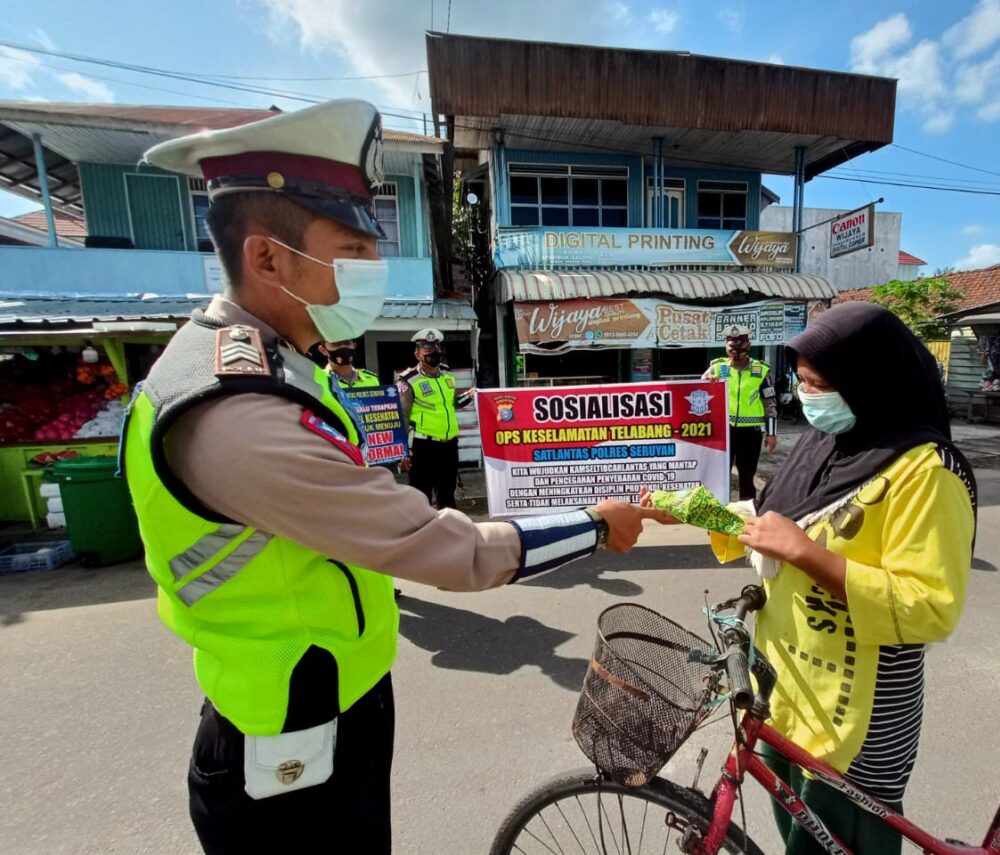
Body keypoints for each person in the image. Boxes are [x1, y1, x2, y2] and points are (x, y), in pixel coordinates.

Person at [123, 99, 651, 855]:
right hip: (288, 758)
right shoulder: (237, 409)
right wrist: (596, 525)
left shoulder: (271, 367)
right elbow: (448, 547)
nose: (374, 269)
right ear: (267, 257)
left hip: (315, 710)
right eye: (353, 249)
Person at [647, 302, 977, 855]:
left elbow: (929, 605)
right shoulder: (824, 446)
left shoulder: (928, 473)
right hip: (785, 690)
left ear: (867, 382)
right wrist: (685, 509)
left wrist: (806, 555)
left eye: (821, 384)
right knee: (798, 836)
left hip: (859, 717)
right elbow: (770, 524)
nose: (809, 396)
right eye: (801, 381)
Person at [397, 328, 472, 509]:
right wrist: (402, 451)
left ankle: (449, 531)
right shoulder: (408, 380)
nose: (434, 353)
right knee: (421, 496)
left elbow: (453, 403)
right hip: (423, 447)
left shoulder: (447, 375)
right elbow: (402, 416)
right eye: (428, 350)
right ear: (417, 354)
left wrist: (470, 395)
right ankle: (422, 533)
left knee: (447, 493)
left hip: (448, 445)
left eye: (436, 348)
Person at [703, 325, 778, 501]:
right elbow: (696, 391)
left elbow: (770, 403)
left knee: (747, 476)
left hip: (750, 434)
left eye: (740, 347)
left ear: (748, 346)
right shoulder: (717, 368)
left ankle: (747, 517)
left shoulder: (761, 370)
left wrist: (771, 433)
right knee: (721, 476)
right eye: (731, 348)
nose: (735, 351)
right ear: (726, 348)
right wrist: (707, 383)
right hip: (724, 432)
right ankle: (720, 516)